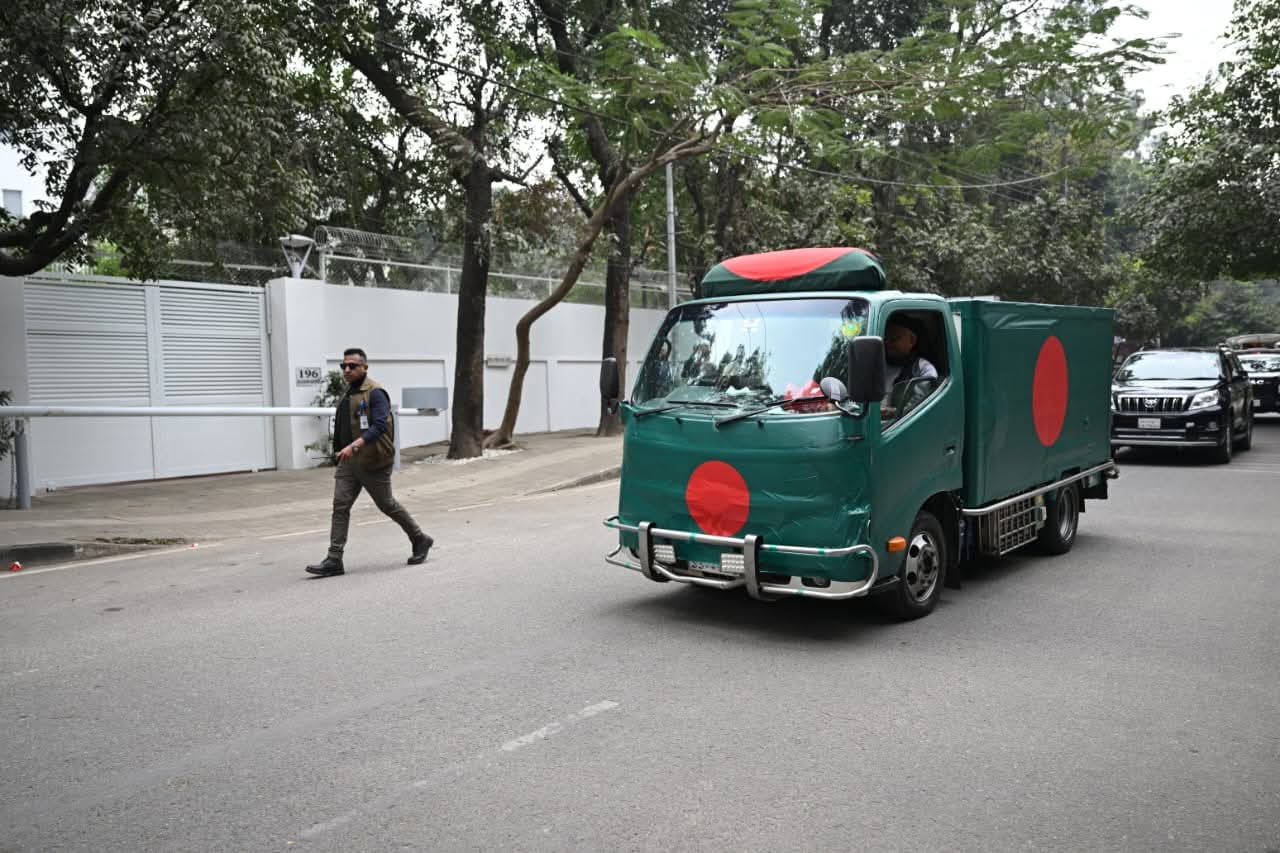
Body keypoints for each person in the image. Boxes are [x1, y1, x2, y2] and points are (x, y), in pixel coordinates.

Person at [305, 348, 432, 577]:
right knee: (340, 507)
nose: (346, 370)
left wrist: (353, 446)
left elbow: (379, 426)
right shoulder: (348, 393)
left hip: (373, 461)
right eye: (344, 366)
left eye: (352, 366)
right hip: (349, 463)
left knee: (387, 504)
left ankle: (420, 538)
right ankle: (334, 559)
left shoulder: (375, 392)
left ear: (365, 367)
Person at [882, 317, 938, 420]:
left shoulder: (924, 369)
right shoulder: (876, 365)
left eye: (894, 339)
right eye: (885, 339)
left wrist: (893, 412)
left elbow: (921, 407)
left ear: (912, 340)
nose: (888, 344)